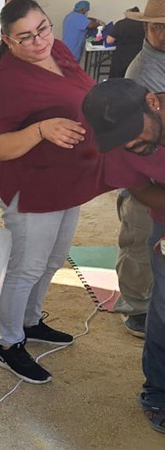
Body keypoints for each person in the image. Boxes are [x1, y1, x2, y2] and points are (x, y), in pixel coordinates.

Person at [0, 0, 107, 384]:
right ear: (7, 40)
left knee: (52, 260)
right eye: (25, 37)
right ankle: (8, 344)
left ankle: (30, 321)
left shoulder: (59, 50)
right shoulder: (4, 83)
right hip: (31, 187)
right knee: (26, 267)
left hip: (65, 180)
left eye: (43, 29)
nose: (38, 41)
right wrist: (41, 130)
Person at [83, 77, 165, 435]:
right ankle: (159, 392)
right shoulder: (121, 143)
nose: (130, 144)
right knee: (163, 310)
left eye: (133, 133)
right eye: (120, 140)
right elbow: (139, 187)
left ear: (153, 103)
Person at [112, 0, 165, 338]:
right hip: (144, 174)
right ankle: (134, 307)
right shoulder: (143, 70)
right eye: (157, 26)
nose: (163, 33)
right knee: (139, 242)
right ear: (145, 27)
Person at [107, 7, 145, 79]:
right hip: (139, 57)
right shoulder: (145, 25)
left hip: (121, 57)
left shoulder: (121, 23)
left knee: (118, 80)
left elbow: (109, 40)